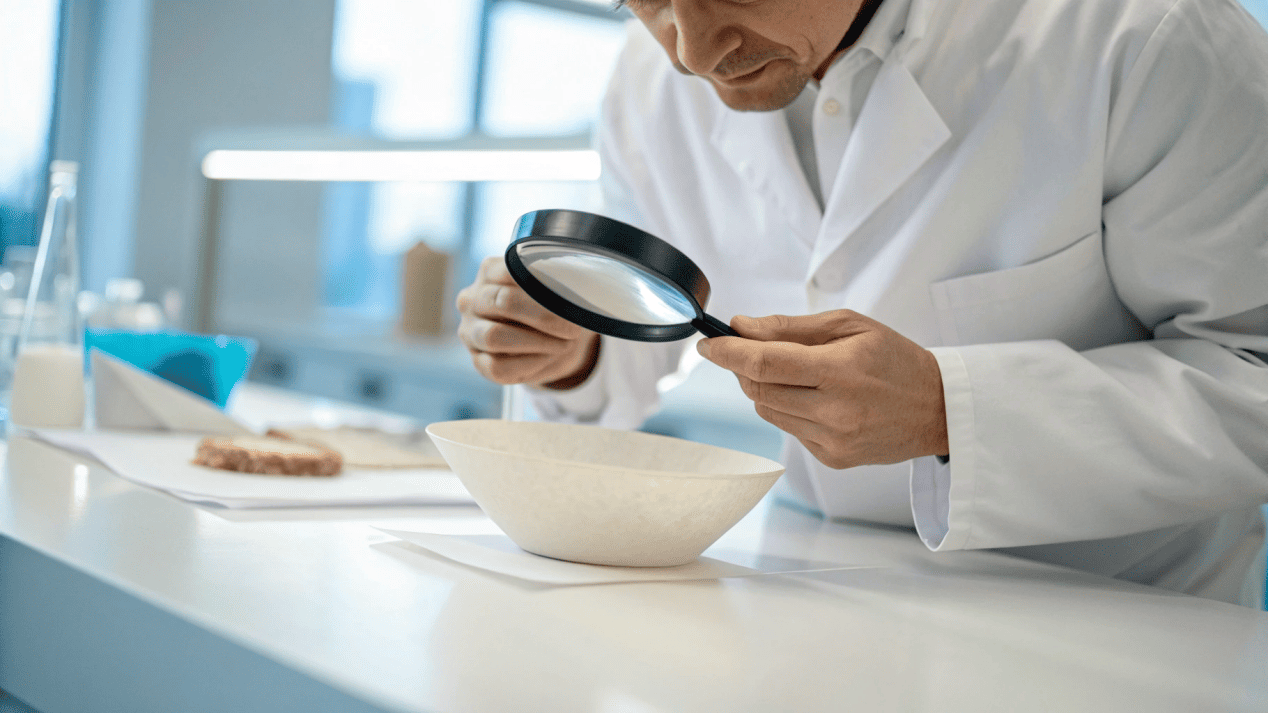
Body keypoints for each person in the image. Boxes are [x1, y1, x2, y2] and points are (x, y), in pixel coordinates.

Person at [457, 0, 1268, 607]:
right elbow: (653, 308)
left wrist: (951, 414)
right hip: (815, 592)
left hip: (1116, 625)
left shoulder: (1145, 35)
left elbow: (1252, 371)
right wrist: (572, 357)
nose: (693, 52)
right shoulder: (647, 83)